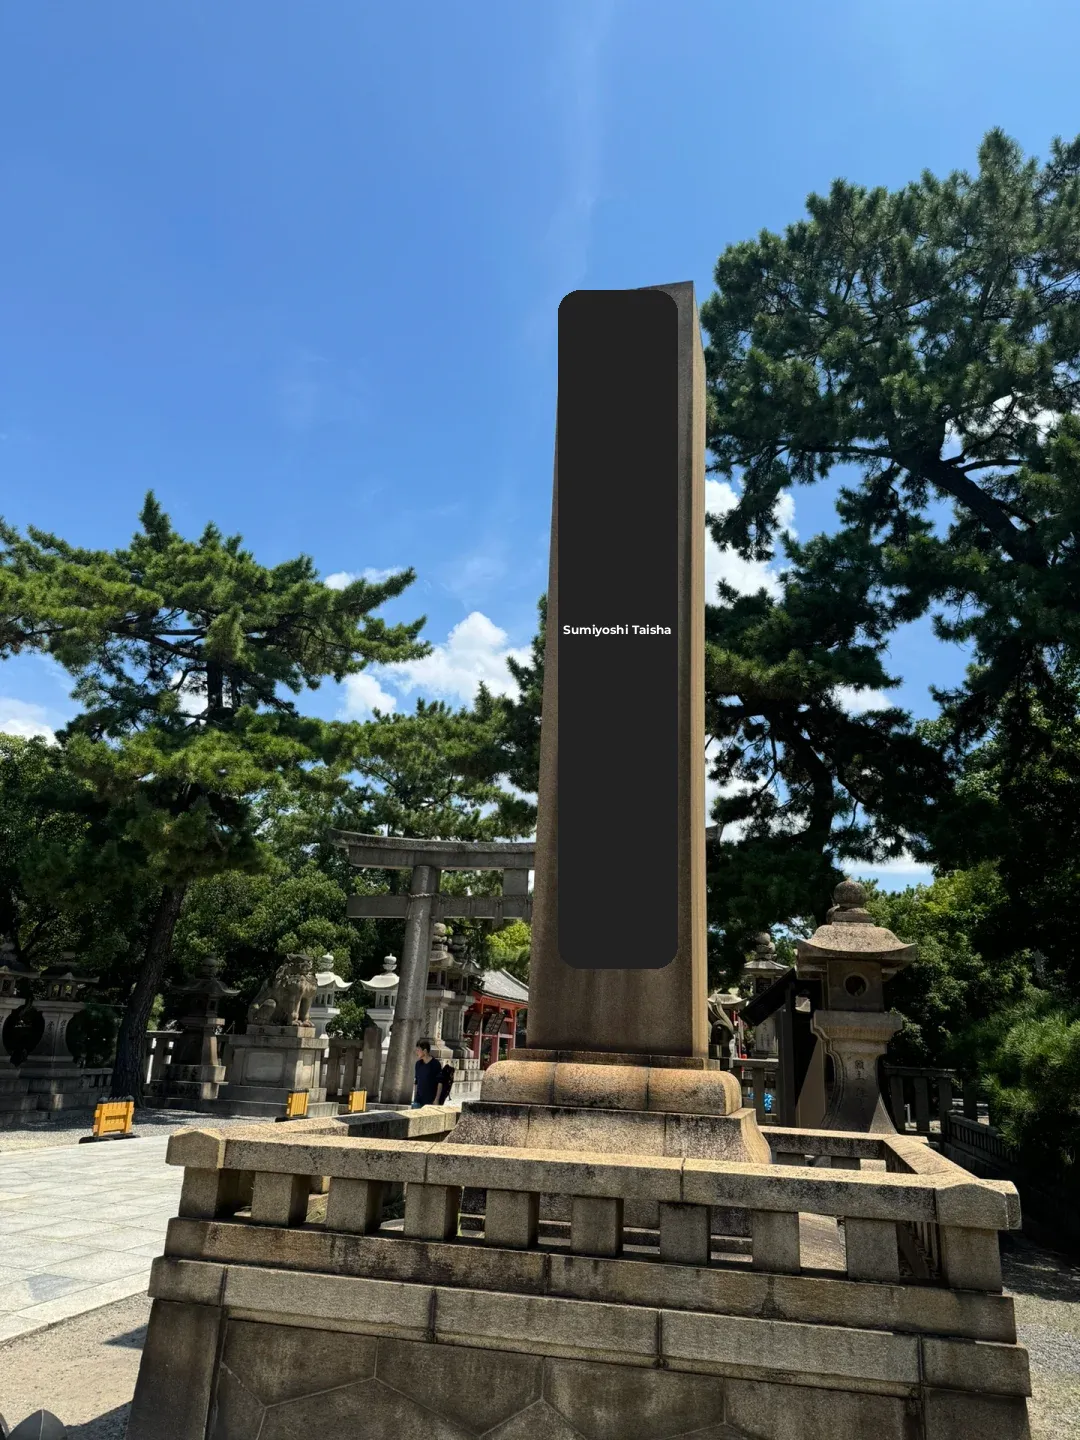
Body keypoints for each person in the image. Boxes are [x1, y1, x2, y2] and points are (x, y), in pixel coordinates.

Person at [411, 1040, 442, 1108]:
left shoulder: (435, 1064)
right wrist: (415, 1099)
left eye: (418, 1050)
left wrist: (436, 1099)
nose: (416, 1053)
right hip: (418, 1101)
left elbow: (440, 1083)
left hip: (431, 1101)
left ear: (424, 1051)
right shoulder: (418, 1064)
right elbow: (416, 1082)